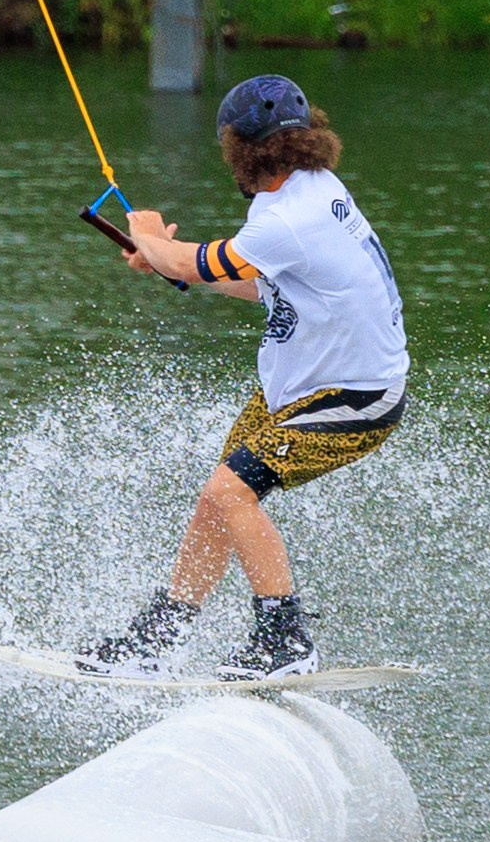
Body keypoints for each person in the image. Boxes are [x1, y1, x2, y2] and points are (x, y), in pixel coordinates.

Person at [80, 75, 409, 678]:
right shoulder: (313, 188)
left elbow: (196, 256)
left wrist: (154, 241)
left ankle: (286, 642)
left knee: (232, 492)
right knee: (218, 498)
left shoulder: (289, 218)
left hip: (357, 397)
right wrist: (171, 267)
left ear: (238, 147)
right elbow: (262, 283)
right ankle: (158, 641)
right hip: (304, 389)